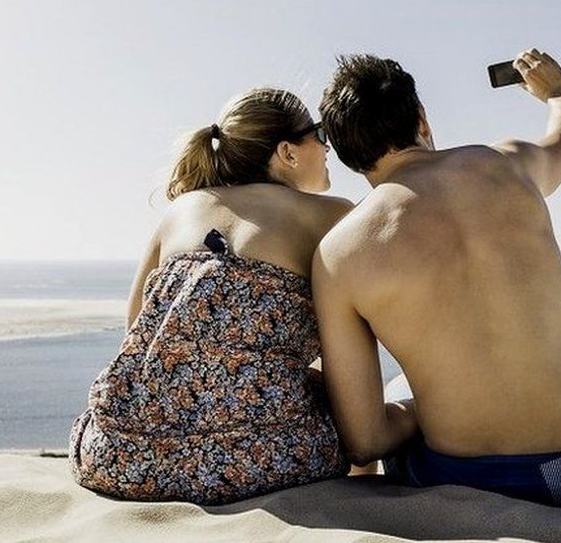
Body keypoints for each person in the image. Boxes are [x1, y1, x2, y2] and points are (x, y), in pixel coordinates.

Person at [313, 49, 561, 507]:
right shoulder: (506, 165)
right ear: (421, 121)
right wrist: (558, 93)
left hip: (460, 484)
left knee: (401, 390)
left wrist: (426, 408)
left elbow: (365, 441)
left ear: (345, 155)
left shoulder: (339, 254)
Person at [69, 88, 352, 505]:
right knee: (360, 400)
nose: (328, 148)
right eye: (320, 134)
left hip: (120, 455)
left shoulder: (182, 209)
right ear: (288, 152)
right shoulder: (332, 215)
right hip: (258, 460)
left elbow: (137, 332)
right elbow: (349, 353)